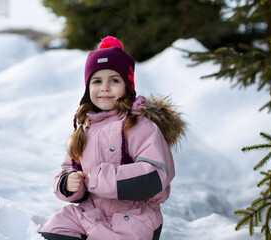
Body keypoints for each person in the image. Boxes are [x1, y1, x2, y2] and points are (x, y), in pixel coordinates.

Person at [39, 36, 186, 240]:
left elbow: (156, 173)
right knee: (53, 229)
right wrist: (68, 183)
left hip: (133, 216)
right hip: (91, 212)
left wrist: (100, 179)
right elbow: (69, 166)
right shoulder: (86, 127)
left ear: (127, 86)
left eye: (114, 80)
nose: (105, 87)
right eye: (97, 81)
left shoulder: (141, 126)